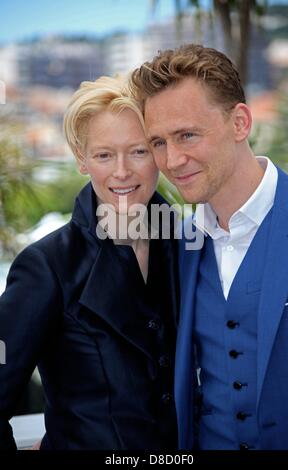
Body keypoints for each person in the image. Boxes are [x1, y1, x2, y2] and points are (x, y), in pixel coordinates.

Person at [130, 44, 288, 450]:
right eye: (158, 142)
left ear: (240, 122)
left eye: (187, 135)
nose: (172, 160)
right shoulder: (177, 247)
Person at [0, 76, 179, 450]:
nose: (122, 171)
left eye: (139, 151)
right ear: (82, 160)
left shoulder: (189, 247)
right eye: (103, 155)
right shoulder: (45, 267)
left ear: (159, 153)